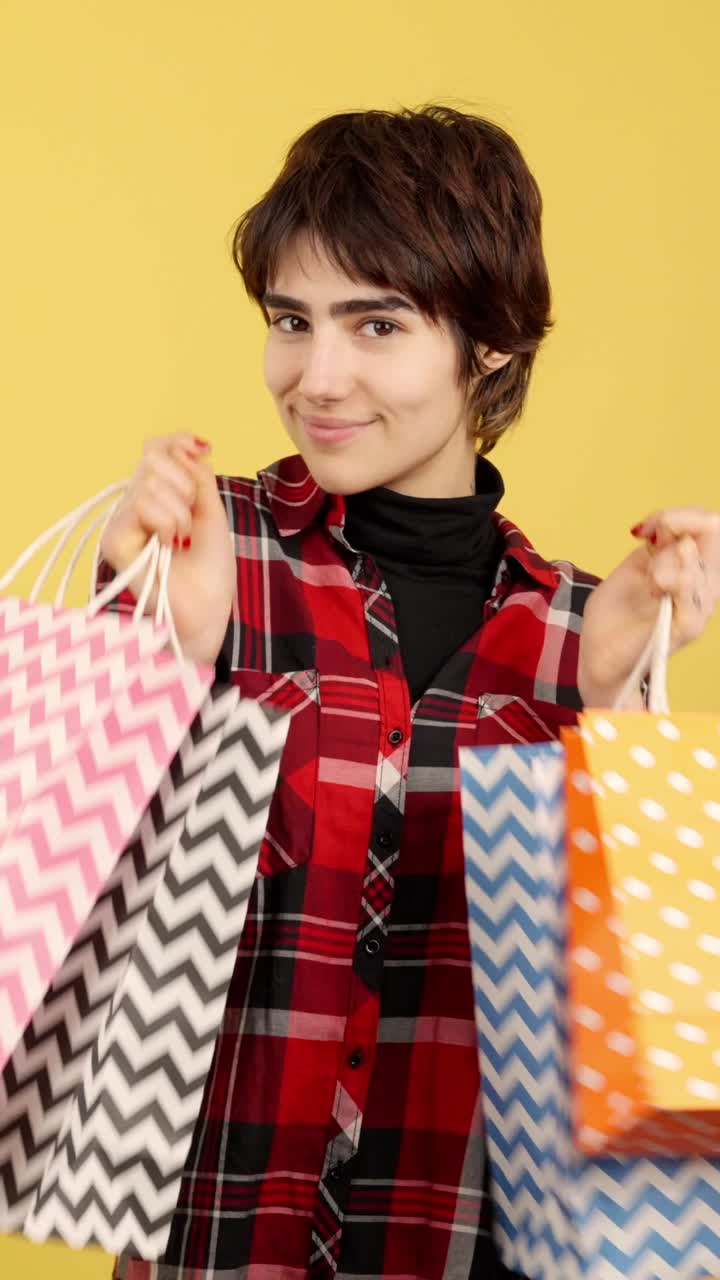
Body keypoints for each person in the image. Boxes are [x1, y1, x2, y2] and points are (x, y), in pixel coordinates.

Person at [99, 105, 720, 1280]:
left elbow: (614, 1024)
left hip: (466, 1242)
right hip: (222, 1241)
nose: (316, 376)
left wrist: (618, 708)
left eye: (375, 323)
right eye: (292, 320)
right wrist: (152, 651)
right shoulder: (211, 552)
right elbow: (92, 917)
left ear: (488, 342)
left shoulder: (586, 625)